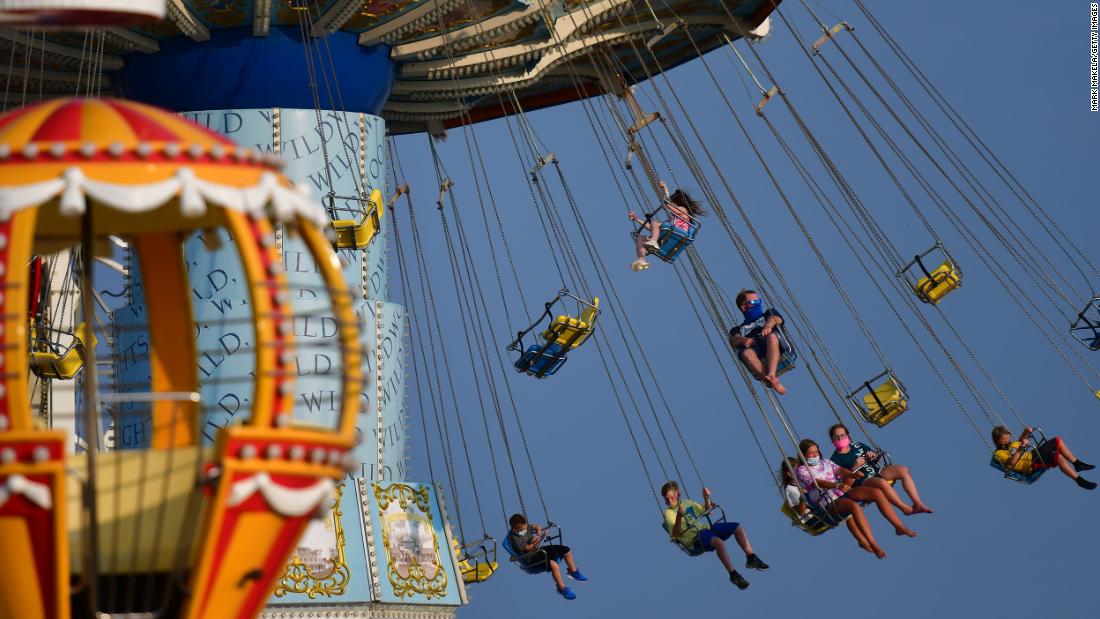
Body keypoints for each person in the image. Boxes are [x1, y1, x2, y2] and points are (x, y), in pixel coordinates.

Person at [796, 439, 917, 540]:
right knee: (854, 506)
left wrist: (852, 475)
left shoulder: (825, 462)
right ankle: (872, 542)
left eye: (816, 451)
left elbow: (839, 470)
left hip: (842, 492)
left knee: (877, 493)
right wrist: (837, 486)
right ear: (803, 455)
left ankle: (899, 526)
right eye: (811, 453)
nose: (815, 455)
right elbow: (818, 482)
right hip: (828, 503)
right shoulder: (801, 470)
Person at [660, 480, 768, 589]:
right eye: (667, 499)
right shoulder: (668, 513)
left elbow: (708, 511)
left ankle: (751, 558)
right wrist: (678, 517)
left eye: (671, 497)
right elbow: (675, 534)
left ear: (678, 494)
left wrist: (706, 497)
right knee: (719, 543)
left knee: (738, 528)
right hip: (695, 538)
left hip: (707, 529)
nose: (670, 501)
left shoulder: (687, 502)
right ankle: (733, 575)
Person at [828, 423, 933, 515]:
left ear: (848, 436)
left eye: (842, 435)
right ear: (833, 441)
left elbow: (878, 461)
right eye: (837, 437)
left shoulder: (858, 445)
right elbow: (843, 483)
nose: (840, 439)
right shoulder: (835, 460)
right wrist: (854, 467)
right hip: (863, 481)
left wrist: (873, 455)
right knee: (882, 483)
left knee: (903, 470)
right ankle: (905, 508)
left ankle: (918, 503)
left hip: (876, 471)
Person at [780, 457, 878, 555]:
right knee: (848, 505)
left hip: (823, 505)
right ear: (789, 474)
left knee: (846, 497)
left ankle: (862, 540)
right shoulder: (790, 489)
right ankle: (863, 540)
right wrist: (803, 497)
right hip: (815, 517)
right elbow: (801, 511)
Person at [507, 513, 588, 600]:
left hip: (540, 550)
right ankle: (562, 588)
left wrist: (538, 533)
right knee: (554, 565)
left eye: (525, 528)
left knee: (566, 550)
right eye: (523, 530)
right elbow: (528, 548)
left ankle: (573, 571)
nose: (525, 531)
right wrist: (538, 540)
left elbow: (536, 526)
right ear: (515, 530)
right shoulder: (514, 539)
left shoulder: (524, 528)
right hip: (531, 559)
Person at [627, 180, 704, 271]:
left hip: (679, 232)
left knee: (655, 223)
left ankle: (654, 242)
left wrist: (665, 188)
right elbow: (652, 228)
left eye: (673, 203)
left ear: (677, 202)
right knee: (640, 238)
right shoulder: (671, 221)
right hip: (670, 233)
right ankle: (641, 260)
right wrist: (636, 219)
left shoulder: (683, 210)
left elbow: (667, 205)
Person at [991, 426, 1096, 489]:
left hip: (1033, 455)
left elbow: (1019, 442)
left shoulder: (1012, 444)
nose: (1008, 441)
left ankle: (1077, 463)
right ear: (998, 441)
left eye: (1008, 438)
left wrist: (1026, 431)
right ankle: (1080, 480)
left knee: (1057, 441)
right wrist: (1022, 447)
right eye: (1005, 440)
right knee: (1058, 457)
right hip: (1031, 466)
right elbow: (1011, 463)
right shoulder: (999, 454)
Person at [728, 289, 788, 395]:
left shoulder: (768, 314)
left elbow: (776, 319)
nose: (758, 304)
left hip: (771, 342)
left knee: (772, 337)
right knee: (746, 353)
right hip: (756, 349)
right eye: (753, 302)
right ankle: (770, 381)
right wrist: (743, 339)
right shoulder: (738, 329)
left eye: (758, 301)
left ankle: (771, 375)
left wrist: (768, 326)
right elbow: (734, 340)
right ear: (744, 307)